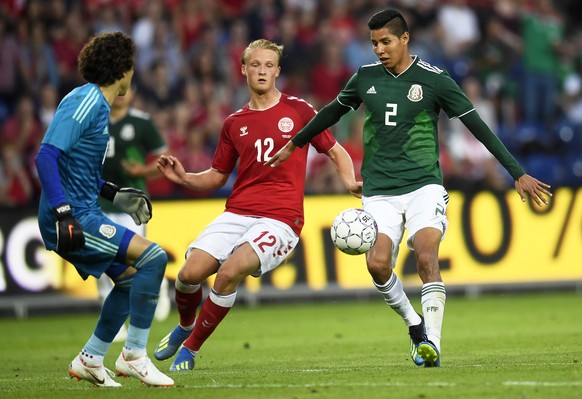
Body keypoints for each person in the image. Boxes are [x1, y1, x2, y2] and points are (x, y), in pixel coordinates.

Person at [265, 9, 552, 368]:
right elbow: (331, 113)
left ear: (404, 39)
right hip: (379, 189)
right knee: (377, 264)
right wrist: (295, 143)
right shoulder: (364, 78)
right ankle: (414, 325)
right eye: (373, 43)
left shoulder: (435, 80)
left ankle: (433, 342)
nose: (379, 49)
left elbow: (478, 127)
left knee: (427, 255)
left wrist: (517, 172)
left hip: (423, 186)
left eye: (386, 41)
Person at [154, 38, 361, 372]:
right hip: (237, 212)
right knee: (187, 275)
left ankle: (191, 349)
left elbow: (335, 151)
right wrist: (184, 178)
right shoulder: (234, 122)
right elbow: (218, 175)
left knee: (230, 271)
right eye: (255, 65)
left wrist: (350, 181)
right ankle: (185, 326)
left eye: (268, 65)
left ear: (278, 71)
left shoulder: (300, 111)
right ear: (243, 69)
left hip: (281, 219)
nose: (262, 71)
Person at [34, 31, 173, 387]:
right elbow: (47, 156)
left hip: (85, 209)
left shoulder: (97, 105)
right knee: (153, 259)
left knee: (127, 280)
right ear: (123, 69)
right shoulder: (87, 100)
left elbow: (78, 170)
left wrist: (114, 193)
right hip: (71, 216)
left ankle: (91, 358)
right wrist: (64, 213)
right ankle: (135, 356)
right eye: (132, 66)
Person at [97, 85, 172, 343]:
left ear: (133, 94)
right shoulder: (96, 119)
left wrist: (143, 171)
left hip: (132, 203)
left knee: (134, 259)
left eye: (126, 90)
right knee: (104, 260)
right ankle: (115, 324)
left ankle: (159, 284)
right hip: (100, 202)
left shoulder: (141, 122)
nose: (121, 94)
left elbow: (164, 157)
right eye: (117, 90)